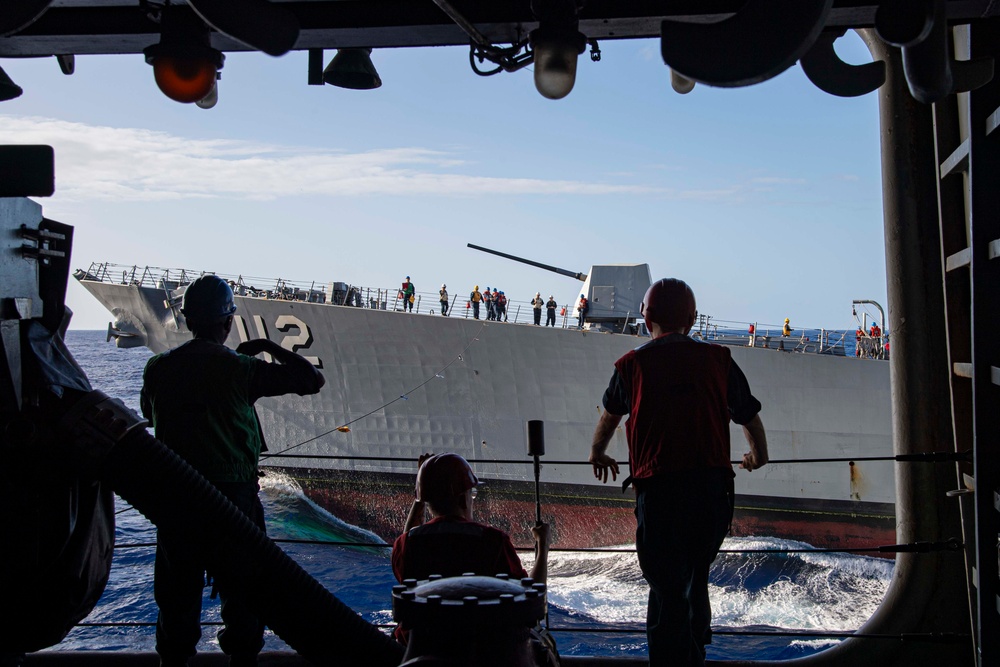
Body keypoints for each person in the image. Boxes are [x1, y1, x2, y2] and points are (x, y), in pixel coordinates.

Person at [140, 275, 326, 667]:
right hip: (233, 502)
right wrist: (265, 346)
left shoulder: (158, 368)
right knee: (244, 601)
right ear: (227, 324)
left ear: (189, 320)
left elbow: (147, 413)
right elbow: (312, 381)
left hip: (177, 501)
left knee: (176, 604)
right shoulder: (240, 370)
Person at [587, 278, 768, 667]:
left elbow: (610, 415)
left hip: (661, 492)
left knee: (667, 587)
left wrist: (597, 452)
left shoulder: (632, 364)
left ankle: (671, 661)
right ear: (692, 318)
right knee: (696, 573)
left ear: (645, 315)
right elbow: (747, 414)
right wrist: (759, 454)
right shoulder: (718, 359)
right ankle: (695, 653)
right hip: (712, 492)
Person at [392, 453, 550, 642]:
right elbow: (531, 598)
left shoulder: (406, 544)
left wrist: (424, 485)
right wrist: (543, 546)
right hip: (483, 649)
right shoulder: (493, 541)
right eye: (471, 493)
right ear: (462, 499)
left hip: (420, 648)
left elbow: (411, 537)